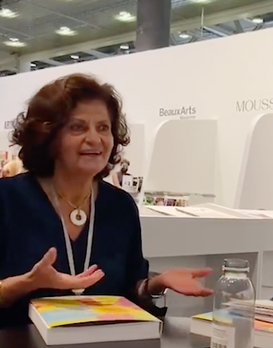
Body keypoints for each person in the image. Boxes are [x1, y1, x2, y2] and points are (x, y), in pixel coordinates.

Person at [0, 73, 213, 328]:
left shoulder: (120, 206)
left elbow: (128, 291)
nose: (95, 139)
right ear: (48, 136)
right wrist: (25, 283)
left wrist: (156, 284)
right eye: (78, 127)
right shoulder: (8, 199)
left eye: (103, 128)